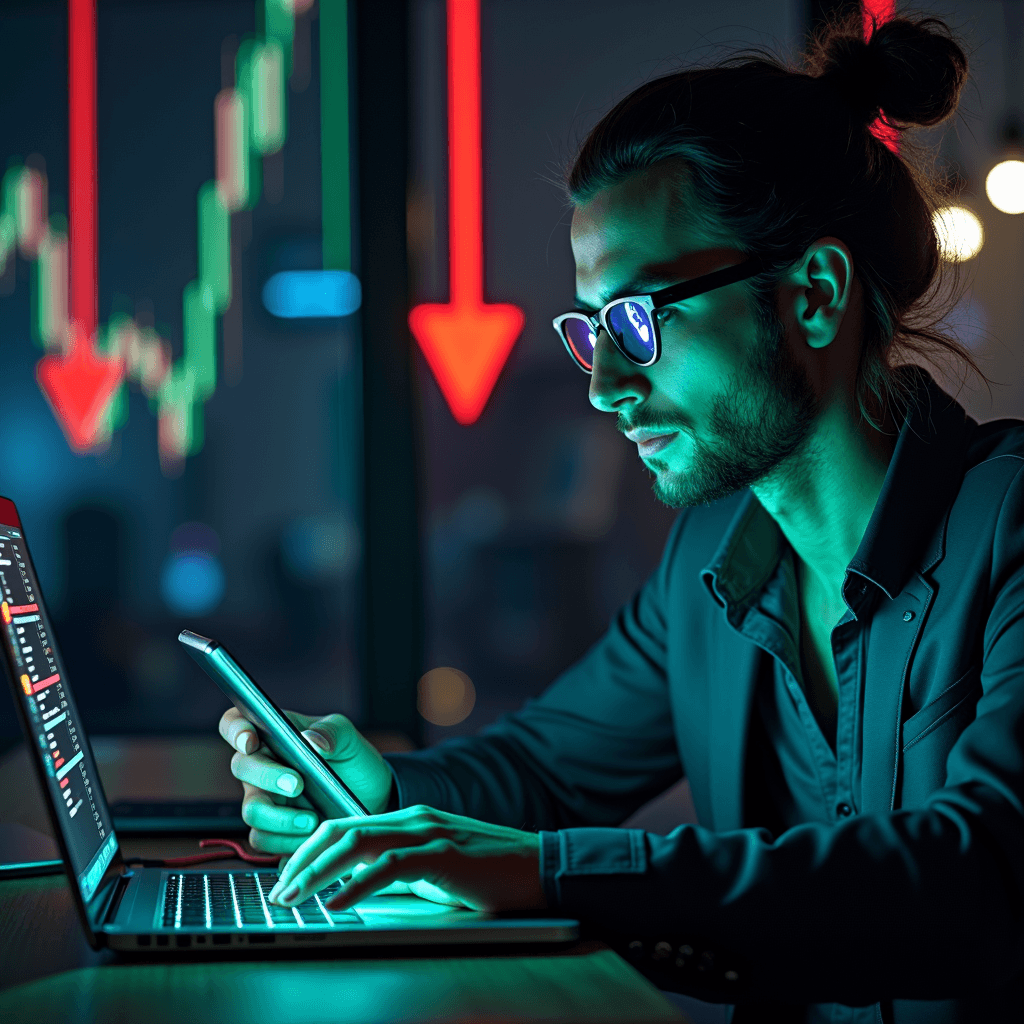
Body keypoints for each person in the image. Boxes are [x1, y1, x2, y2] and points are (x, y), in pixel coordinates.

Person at [219, 14, 1024, 1021]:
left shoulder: (1010, 524)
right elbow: (544, 769)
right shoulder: (710, 564)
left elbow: (979, 878)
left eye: (639, 319)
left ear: (813, 295)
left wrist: (556, 874)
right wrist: (375, 790)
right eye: (589, 328)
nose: (603, 383)